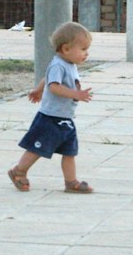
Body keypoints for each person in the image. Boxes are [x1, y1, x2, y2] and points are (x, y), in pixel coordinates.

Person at [8, 21, 94, 193]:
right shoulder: (58, 64)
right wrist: (75, 94)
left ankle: (71, 181)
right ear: (66, 49)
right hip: (50, 118)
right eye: (83, 49)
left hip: (65, 118)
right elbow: (53, 85)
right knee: (37, 148)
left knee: (70, 151)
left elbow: (46, 79)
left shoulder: (69, 64)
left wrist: (38, 90)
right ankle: (19, 171)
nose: (86, 53)